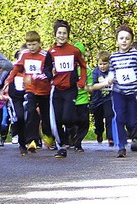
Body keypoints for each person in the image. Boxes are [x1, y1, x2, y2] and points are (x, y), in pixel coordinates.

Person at [95, 25, 137, 158]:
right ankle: (121, 147)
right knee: (119, 117)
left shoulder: (136, 55)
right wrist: (109, 79)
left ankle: (131, 133)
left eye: (127, 38)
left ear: (131, 41)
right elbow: (113, 72)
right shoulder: (113, 57)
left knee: (132, 121)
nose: (124, 41)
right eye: (121, 38)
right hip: (118, 92)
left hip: (133, 93)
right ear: (117, 41)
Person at [44, 20, 88, 158]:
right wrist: (49, 76)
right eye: (59, 33)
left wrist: (81, 81)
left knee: (67, 117)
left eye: (64, 33)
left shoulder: (74, 50)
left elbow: (83, 66)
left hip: (70, 88)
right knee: (56, 119)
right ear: (55, 34)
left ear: (68, 35)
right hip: (56, 89)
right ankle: (61, 147)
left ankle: (71, 128)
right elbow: (45, 68)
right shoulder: (51, 52)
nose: (62, 35)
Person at [4, 31, 52, 156]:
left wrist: (39, 76)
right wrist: (9, 80)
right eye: (29, 44)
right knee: (30, 112)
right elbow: (16, 68)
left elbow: (49, 72)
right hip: (30, 89)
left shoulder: (45, 55)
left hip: (44, 90)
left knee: (45, 118)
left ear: (39, 43)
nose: (31, 47)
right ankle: (31, 140)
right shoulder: (24, 54)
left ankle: (48, 134)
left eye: (34, 44)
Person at [66, 42, 91, 152]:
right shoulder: (68, 69)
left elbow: (90, 85)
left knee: (84, 122)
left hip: (83, 100)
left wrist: (85, 87)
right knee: (71, 122)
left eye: (80, 55)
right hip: (71, 99)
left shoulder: (87, 70)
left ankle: (78, 142)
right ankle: (71, 137)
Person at [88, 51, 114, 147]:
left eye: (105, 64)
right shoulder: (95, 72)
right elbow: (93, 86)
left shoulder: (112, 72)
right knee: (98, 120)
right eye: (100, 64)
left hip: (109, 99)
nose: (102, 66)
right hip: (97, 100)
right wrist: (105, 83)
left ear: (109, 63)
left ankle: (110, 137)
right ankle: (99, 132)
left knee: (109, 117)